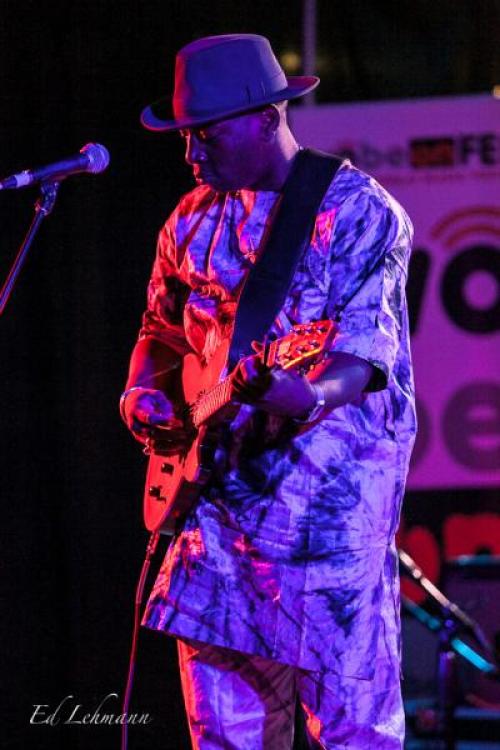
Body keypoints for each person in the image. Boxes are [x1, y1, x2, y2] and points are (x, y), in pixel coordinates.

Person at [120, 33, 416, 750]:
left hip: (325, 530)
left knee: (354, 736)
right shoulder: (190, 218)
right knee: (224, 735)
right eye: (185, 135)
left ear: (266, 117)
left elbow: (361, 355)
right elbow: (160, 331)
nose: (191, 153)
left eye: (206, 134)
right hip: (215, 523)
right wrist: (141, 392)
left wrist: (307, 397)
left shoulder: (357, 211)